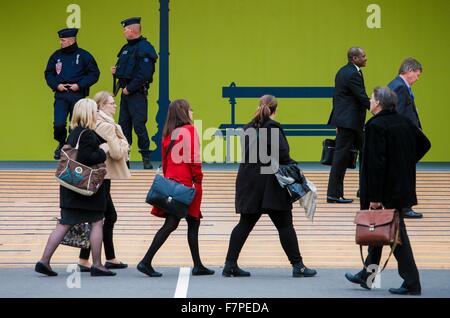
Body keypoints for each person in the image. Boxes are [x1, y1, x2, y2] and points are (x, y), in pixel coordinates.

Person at [345, 87, 431, 295]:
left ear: (379, 103)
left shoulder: (376, 126)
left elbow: (376, 165)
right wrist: (404, 163)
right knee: (379, 230)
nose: (370, 102)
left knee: (395, 236)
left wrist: (374, 198)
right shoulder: (404, 121)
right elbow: (425, 144)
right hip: (401, 188)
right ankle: (368, 275)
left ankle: (412, 282)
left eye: (372, 99)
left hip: (384, 191)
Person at [222, 95, 317, 278]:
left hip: (248, 181)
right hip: (270, 183)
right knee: (285, 225)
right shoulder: (273, 127)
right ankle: (298, 266)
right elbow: (283, 154)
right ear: (275, 110)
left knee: (244, 223)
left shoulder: (247, 128)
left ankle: (230, 264)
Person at [35, 98, 116, 277]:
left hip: (70, 187)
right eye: (95, 110)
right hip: (85, 189)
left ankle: (44, 260)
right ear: (89, 113)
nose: (97, 112)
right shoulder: (87, 134)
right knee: (97, 222)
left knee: (64, 223)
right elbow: (88, 157)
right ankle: (97, 264)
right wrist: (103, 151)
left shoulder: (74, 132)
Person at [137, 99, 214, 277]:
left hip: (172, 182)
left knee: (185, 222)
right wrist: (198, 180)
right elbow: (194, 159)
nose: (192, 112)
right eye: (190, 109)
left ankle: (198, 264)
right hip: (187, 183)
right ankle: (146, 261)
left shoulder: (168, 134)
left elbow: (164, 162)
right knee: (181, 223)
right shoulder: (189, 130)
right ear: (183, 112)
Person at [77, 91, 131, 272]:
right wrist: (125, 145)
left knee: (100, 217)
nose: (115, 106)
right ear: (100, 106)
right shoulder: (106, 126)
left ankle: (91, 258)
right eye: (111, 103)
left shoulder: (103, 123)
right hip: (103, 175)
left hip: (101, 175)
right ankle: (105, 258)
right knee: (105, 216)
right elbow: (116, 152)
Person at [45, 28, 100, 160]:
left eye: (63, 40)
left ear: (71, 40)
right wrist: (56, 85)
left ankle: (70, 148)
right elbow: (48, 73)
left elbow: (94, 74)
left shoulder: (84, 55)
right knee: (58, 124)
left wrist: (79, 85)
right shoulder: (56, 56)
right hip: (61, 94)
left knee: (75, 124)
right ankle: (61, 143)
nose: (61, 42)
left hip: (77, 95)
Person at [112, 17, 158, 169]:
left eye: (125, 29)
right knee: (123, 127)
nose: (123, 32)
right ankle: (125, 160)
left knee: (139, 125)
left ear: (132, 30)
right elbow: (126, 70)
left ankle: (146, 157)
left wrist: (129, 88)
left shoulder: (145, 48)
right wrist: (116, 72)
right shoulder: (126, 48)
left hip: (136, 93)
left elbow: (144, 74)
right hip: (125, 94)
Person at [327, 47, 370, 203]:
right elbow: (361, 96)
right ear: (354, 58)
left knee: (364, 153)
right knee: (341, 158)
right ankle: (333, 194)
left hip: (348, 122)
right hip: (350, 123)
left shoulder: (343, 71)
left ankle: (363, 190)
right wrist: (377, 109)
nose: (366, 58)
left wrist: (338, 120)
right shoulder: (353, 73)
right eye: (363, 56)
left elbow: (337, 97)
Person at [388, 58, 424, 218]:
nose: (417, 78)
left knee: (400, 172)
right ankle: (405, 207)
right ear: (409, 71)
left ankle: (399, 205)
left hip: (399, 137)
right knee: (406, 173)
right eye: (417, 74)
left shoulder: (395, 84)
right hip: (403, 138)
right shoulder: (401, 88)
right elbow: (399, 114)